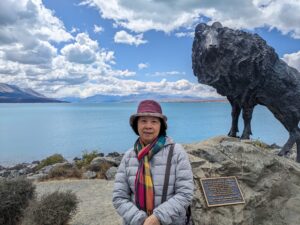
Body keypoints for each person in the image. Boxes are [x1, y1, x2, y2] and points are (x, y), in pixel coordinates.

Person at [112, 100, 194, 225]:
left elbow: (185, 193)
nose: (148, 126)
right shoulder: (129, 156)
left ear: (161, 126)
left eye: (154, 121)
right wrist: (141, 220)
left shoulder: (176, 152)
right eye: (143, 121)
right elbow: (119, 197)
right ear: (136, 125)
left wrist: (157, 218)